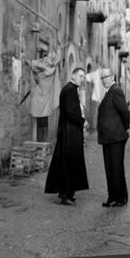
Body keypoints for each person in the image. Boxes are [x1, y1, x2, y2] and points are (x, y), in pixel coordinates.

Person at [44, 67, 89, 205]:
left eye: (83, 77)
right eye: (81, 76)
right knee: (70, 162)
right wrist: (83, 122)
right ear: (74, 75)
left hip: (69, 131)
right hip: (70, 133)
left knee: (67, 162)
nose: (83, 79)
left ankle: (66, 192)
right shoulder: (70, 90)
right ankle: (67, 194)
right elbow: (70, 112)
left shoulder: (70, 89)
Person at [97, 68, 130, 207]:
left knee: (114, 167)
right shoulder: (110, 91)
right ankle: (118, 197)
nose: (103, 80)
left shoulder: (115, 90)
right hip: (110, 137)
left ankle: (116, 198)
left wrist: (126, 127)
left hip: (115, 137)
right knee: (113, 167)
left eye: (106, 77)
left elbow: (124, 111)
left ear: (112, 77)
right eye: (102, 78)